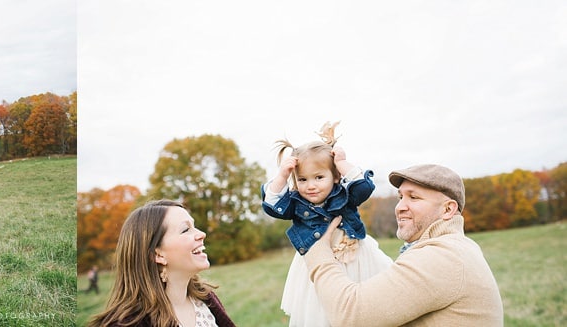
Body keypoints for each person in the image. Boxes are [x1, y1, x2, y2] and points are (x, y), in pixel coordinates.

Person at [305, 164, 503, 326]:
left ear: (448, 209)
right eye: (401, 197)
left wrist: (320, 255)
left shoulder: (442, 256)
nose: (400, 207)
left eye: (414, 197)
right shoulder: (456, 248)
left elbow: (351, 313)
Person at [261, 122, 392, 327]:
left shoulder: (344, 194)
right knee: (321, 311)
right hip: (318, 264)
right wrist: (282, 176)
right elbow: (272, 205)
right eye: (302, 179)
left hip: (355, 259)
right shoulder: (296, 203)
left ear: (336, 176)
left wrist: (342, 163)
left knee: (361, 308)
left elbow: (364, 187)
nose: (311, 186)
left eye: (319, 177)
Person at [89, 200, 235, 327]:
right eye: (185, 230)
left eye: (194, 226)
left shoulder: (206, 298)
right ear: (157, 255)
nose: (202, 234)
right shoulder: (128, 323)